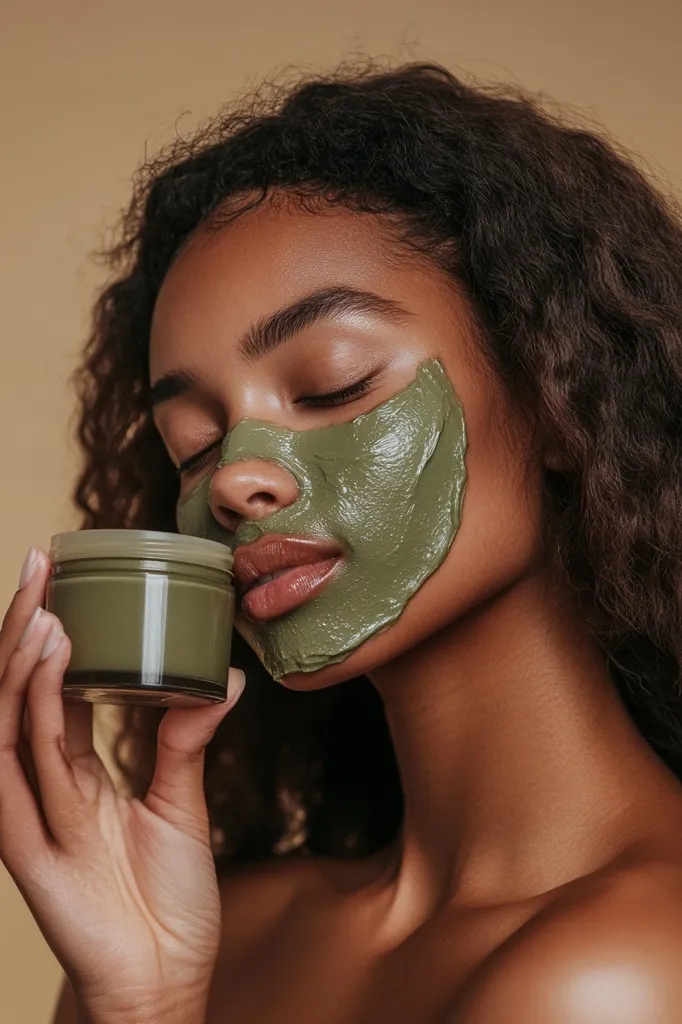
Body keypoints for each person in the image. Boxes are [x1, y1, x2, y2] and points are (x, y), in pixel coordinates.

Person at [1, 61, 682, 1024]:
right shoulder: (210, 932)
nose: (237, 477)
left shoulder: (619, 975)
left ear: (561, 399)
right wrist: (137, 999)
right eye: (193, 446)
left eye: (331, 385)